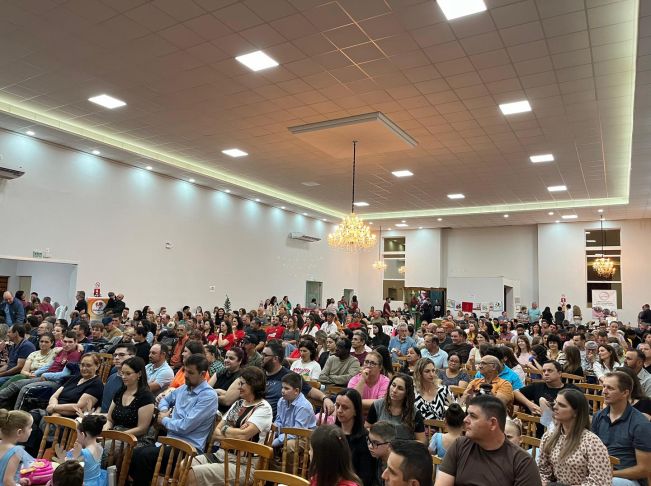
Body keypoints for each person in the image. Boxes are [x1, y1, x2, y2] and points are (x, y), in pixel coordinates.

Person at [129, 354, 218, 485]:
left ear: (203, 374)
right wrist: (164, 411)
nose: (185, 375)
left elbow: (185, 426)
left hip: (188, 448)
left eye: (191, 373)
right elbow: (164, 400)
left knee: (144, 457)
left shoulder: (208, 396)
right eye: (185, 371)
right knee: (133, 454)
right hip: (170, 442)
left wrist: (164, 420)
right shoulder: (184, 388)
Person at [188, 367, 272, 486]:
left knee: (193, 474)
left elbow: (243, 436)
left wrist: (226, 429)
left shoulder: (263, 408)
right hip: (221, 455)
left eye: (242, 384)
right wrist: (233, 432)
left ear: (253, 384)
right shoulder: (238, 403)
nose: (239, 387)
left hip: (243, 464)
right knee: (184, 465)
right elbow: (216, 433)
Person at [436, 395, 541, 486]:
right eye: (467, 414)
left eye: (473, 416)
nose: (465, 420)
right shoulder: (459, 445)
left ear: (492, 423)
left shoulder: (522, 462)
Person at [538, 388, 612, 486]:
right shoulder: (549, 437)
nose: (555, 407)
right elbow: (543, 471)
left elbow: (601, 482)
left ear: (576, 412)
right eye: (555, 403)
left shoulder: (592, 442)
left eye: (562, 405)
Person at [592, 371, 651, 485]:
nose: (604, 391)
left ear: (625, 393)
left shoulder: (640, 424)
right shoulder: (598, 416)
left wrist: (609, 473)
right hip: (600, 471)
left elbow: (644, 469)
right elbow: (591, 450)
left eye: (610, 388)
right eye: (604, 386)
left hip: (627, 479)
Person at [105, 357, 155, 442]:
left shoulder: (146, 397)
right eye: (122, 373)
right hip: (116, 433)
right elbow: (109, 419)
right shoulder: (120, 392)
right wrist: (105, 431)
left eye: (128, 374)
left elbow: (142, 428)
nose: (123, 377)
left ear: (139, 374)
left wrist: (116, 436)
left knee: (99, 447)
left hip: (133, 439)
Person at [365, 373, 426, 443]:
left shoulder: (414, 412)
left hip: (404, 448)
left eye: (400, 388)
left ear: (407, 393)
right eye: (393, 385)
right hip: (380, 446)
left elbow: (422, 441)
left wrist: (405, 446)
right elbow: (367, 428)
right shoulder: (377, 405)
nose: (394, 390)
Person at [334, 389, 376, 486]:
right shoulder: (331, 434)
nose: (339, 410)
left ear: (356, 411)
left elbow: (365, 477)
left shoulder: (365, 439)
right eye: (337, 405)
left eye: (345, 407)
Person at [514, 361, 580, 418]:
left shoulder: (571, 389)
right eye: (544, 371)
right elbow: (516, 392)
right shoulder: (537, 386)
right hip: (540, 426)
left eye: (549, 370)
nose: (546, 373)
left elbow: (580, 409)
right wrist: (530, 404)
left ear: (559, 373)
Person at [55, 415, 107, 486]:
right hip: (98, 481)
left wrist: (72, 452)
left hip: (83, 483)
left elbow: (66, 466)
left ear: (82, 434)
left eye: (77, 433)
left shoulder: (82, 452)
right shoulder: (99, 447)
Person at [272, 372, 316, 449]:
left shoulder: (304, 406)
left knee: (289, 445)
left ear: (296, 391)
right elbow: (278, 421)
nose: (282, 391)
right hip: (286, 433)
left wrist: (278, 440)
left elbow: (297, 432)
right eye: (282, 387)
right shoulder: (281, 401)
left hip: (304, 437)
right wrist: (273, 432)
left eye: (286, 388)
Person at [208, 346, 246, 414]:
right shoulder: (221, 371)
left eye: (231, 358)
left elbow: (227, 401)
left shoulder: (241, 377)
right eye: (226, 357)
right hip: (211, 408)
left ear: (240, 361)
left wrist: (213, 392)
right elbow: (206, 390)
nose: (226, 360)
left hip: (225, 413)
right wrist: (221, 392)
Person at [0, 409, 32, 485]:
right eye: (30, 427)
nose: (31, 430)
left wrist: (17, 480)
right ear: (19, 432)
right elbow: (7, 481)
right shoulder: (15, 452)